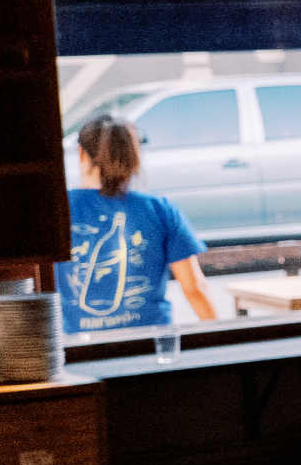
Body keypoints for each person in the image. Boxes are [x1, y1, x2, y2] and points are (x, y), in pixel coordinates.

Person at [61, 114, 221, 341]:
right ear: (134, 156)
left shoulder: (58, 209)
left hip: (83, 349)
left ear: (81, 154)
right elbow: (194, 288)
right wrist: (222, 339)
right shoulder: (160, 209)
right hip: (150, 348)